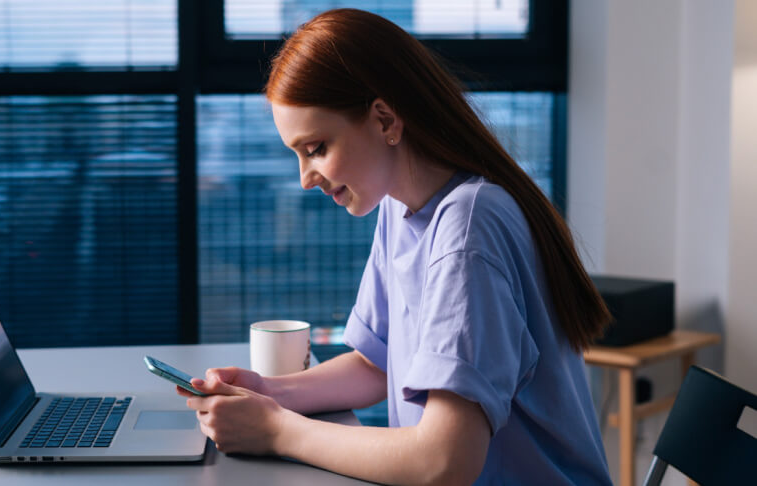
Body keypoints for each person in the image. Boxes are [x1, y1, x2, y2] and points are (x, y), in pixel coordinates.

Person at [177, 8, 613, 486]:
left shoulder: (468, 228)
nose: (305, 180)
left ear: (385, 119)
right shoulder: (400, 208)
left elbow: (443, 461)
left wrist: (277, 431)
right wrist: (268, 392)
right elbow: (374, 363)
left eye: (316, 148)